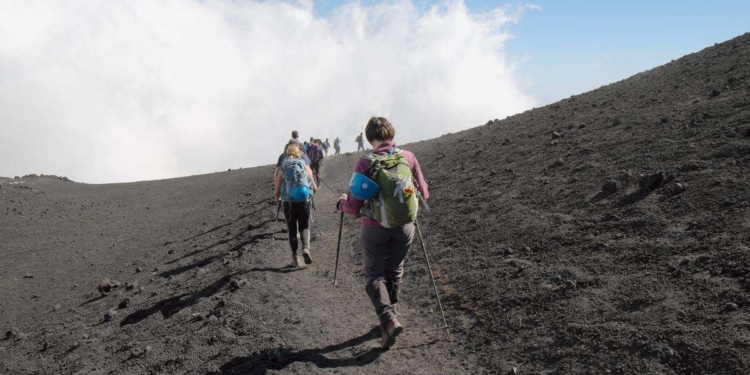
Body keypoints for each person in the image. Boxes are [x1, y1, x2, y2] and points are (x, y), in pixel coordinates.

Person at [338, 116, 429, 349]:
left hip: (375, 229)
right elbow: (424, 194)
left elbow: (354, 205)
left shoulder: (365, 163)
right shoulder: (408, 157)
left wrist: (341, 204)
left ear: (370, 138)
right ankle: (391, 316)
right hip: (406, 226)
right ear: (391, 133)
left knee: (374, 275)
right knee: (395, 270)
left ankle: (388, 319)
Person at [275, 144, 318, 267]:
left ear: (286, 153)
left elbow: (277, 190)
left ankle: (295, 258)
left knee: (292, 229)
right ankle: (306, 248)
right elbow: (314, 187)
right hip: (304, 201)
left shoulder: (283, 166)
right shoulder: (304, 164)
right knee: (304, 226)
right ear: (299, 152)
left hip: (288, 203)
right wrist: (311, 191)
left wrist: (278, 198)